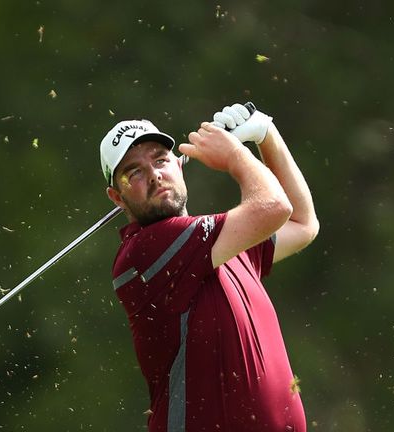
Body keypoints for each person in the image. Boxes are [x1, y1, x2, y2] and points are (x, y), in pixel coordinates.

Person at [99, 102, 319, 432]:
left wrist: (266, 134)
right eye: (135, 172)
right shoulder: (143, 252)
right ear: (118, 198)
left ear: (179, 164)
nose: (155, 174)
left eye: (160, 160)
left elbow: (302, 224)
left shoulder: (221, 243)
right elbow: (274, 207)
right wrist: (235, 156)